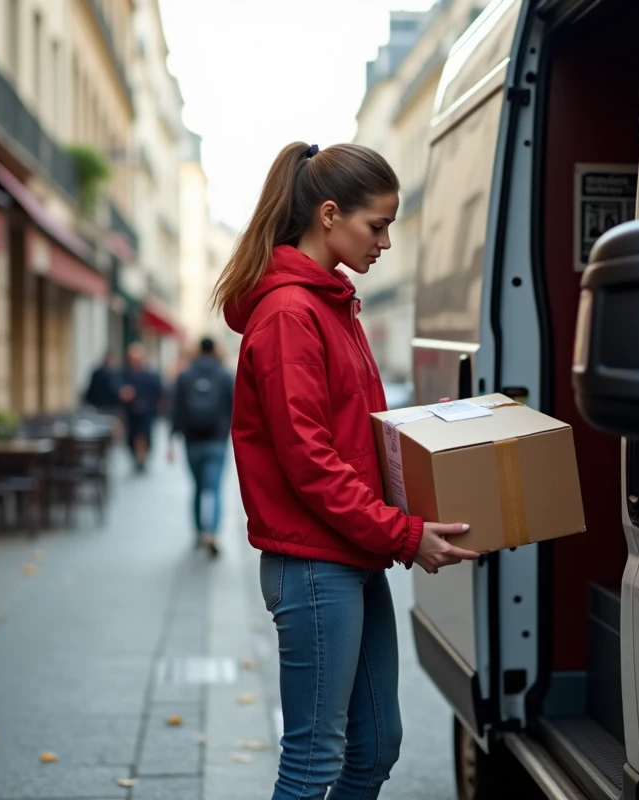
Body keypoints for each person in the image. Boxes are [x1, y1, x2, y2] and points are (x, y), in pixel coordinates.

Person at [218, 141, 478, 800]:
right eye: (377, 225)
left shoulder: (333, 305)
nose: (387, 241)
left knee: (377, 746)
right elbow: (309, 460)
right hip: (314, 564)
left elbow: (351, 434)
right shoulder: (289, 314)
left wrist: (430, 431)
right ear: (329, 215)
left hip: (350, 555)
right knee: (314, 759)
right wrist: (403, 535)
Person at [168, 336, 235, 557]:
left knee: (197, 488)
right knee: (214, 489)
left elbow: (176, 409)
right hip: (217, 441)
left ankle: (198, 533)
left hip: (192, 441)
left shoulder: (186, 375)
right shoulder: (225, 375)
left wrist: (171, 440)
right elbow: (236, 408)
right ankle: (212, 533)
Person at [118, 342, 165, 473]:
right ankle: (136, 457)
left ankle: (143, 458)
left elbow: (159, 392)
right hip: (130, 412)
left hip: (146, 411)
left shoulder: (150, 374)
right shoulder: (124, 374)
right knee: (131, 437)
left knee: (145, 436)